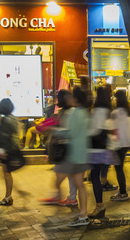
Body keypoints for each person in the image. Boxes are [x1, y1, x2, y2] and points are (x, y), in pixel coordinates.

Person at [52, 87, 92, 227]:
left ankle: (56, 197)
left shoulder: (75, 114)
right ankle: (83, 215)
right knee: (80, 185)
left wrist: (56, 132)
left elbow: (70, 133)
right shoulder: (85, 113)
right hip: (82, 154)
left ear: (76, 99)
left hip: (73, 155)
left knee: (58, 177)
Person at [39, 89, 79, 207]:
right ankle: (67, 197)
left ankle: (67, 197)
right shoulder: (65, 112)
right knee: (65, 174)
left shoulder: (69, 112)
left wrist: (52, 129)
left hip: (66, 148)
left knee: (62, 174)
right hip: (64, 148)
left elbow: (67, 131)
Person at [87, 85, 116, 219]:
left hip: (96, 148)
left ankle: (99, 206)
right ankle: (99, 206)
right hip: (103, 147)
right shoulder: (107, 109)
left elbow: (94, 130)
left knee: (94, 177)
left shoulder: (98, 111)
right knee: (95, 176)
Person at [0, 98, 24, 206]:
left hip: (7, 151)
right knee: (6, 174)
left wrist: (1, 151)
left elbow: (3, 137)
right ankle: (10, 195)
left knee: (6, 174)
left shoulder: (4, 120)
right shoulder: (14, 119)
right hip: (13, 149)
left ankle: (8, 197)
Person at [109, 89, 130, 202]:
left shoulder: (115, 113)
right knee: (120, 168)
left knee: (118, 169)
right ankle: (122, 190)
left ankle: (123, 192)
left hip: (118, 144)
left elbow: (113, 130)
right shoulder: (128, 112)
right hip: (126, 144)